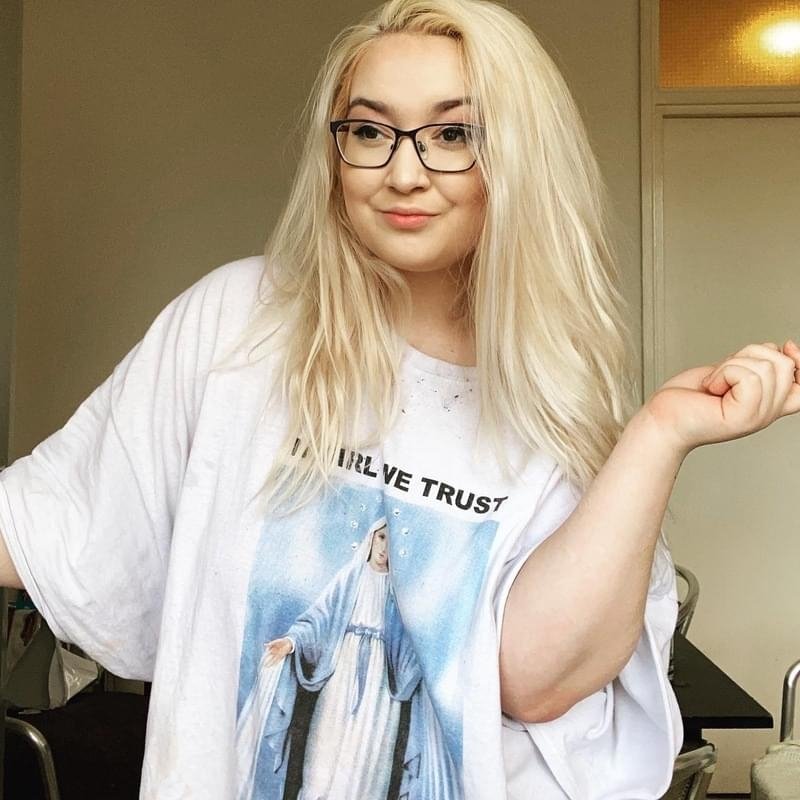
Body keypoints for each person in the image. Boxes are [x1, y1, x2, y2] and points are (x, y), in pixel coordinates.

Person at [0, 0, 798, 797]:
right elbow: (43, 529)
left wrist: (660, 433)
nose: (404, 172)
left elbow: (531, 682)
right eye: (370, 130)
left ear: (518, 158)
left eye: (453, 134)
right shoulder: (238, 324)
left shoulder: (556, 401)